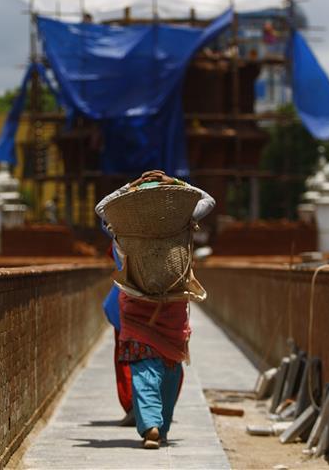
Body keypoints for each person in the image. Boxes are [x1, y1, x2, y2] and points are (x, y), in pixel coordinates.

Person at [95, 170, 215, 448]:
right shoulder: (183, 218)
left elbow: (101, 206)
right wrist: (176, 183)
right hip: (172, 302)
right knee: (171, 367)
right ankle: (161, 426)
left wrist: (131, 185)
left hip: (136, 301)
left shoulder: (123, 223)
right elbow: (208, 199)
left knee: (143, 367)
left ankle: (149, 423)